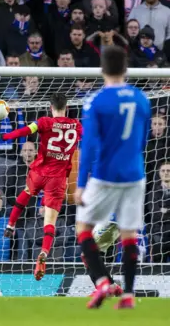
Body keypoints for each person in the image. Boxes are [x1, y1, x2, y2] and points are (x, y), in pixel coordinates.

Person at [74, 45, 151, 309]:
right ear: (126, 69)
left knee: (83, 228)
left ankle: (103, 283)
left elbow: (89, 148)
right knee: (129, 234)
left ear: (103, 69)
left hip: (105, 174)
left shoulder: (96, 101)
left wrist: (81, 184)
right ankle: (128, 294)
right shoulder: (142, 99)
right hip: (135, 173)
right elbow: (143, 141)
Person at [1, 93, 82, 281]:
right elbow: (88, 136)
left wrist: (7, 136)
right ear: (67, 107)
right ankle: (44, 252)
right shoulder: (76, 125)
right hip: (58, 178)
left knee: (26, 193)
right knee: (50, 221)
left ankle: (10, 225)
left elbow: (26, 131)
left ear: (50, 107)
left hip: (41, 171)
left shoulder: (45, 121)